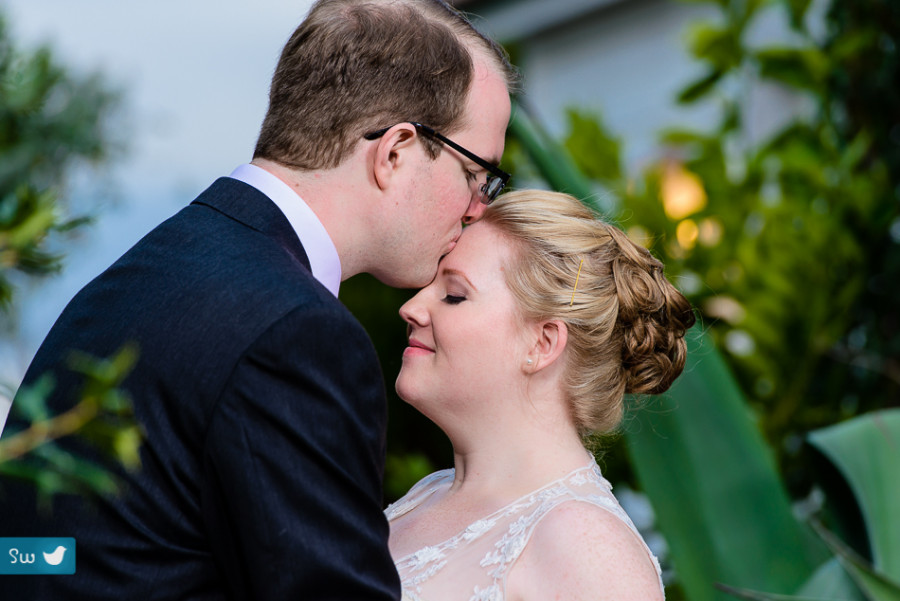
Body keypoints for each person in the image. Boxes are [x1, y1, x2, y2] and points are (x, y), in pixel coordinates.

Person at [2, 1, 516, 599]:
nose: (480, 208)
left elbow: (40, 559)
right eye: (479, 173)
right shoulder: (295, 332)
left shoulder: (151, 270)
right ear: (395, 150)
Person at [386, 189, 696, 601]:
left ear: (542, 343)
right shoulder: (426, 495)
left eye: (454, 295)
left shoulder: (588, 547)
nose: (412, 307)